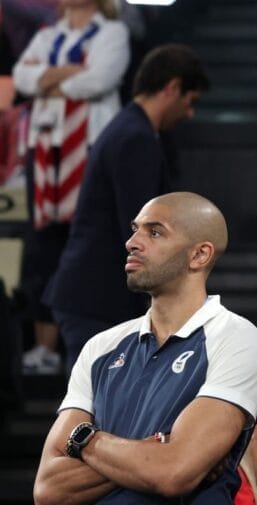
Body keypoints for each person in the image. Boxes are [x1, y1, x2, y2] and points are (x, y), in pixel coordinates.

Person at [32, 191, 257, 504]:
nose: (132, 242)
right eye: (135, 229)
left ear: (199, 255)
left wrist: (86, 441)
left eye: (154, 232)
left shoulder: (237, 339)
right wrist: (155, 448)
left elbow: (173, 474)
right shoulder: (101, 347)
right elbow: (49, 488)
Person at [42, 43, 209, 372]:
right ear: (172, 88)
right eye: (190, 102)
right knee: (93, 409)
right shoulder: (136, 137)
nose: (189, 113)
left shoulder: (126, 128)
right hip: (98, 297)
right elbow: (141, 230)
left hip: (91, 294)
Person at [12, 0, 129, 374]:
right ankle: (44, 348)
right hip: (45, 152)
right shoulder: (47, 35)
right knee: (43, 250)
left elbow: (99, 80)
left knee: (88, 247)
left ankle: (88, 348)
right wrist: (69, 74)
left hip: (90, 149)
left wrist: (46, 79)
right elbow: (21, 78)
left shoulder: (114, 32)